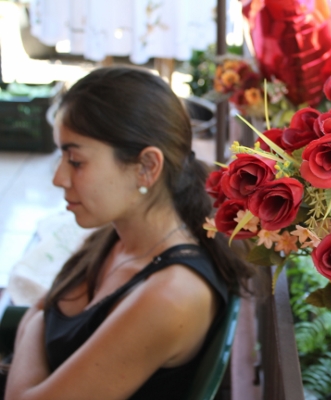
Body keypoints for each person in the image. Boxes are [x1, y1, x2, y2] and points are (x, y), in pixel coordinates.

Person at [5, 66, 253, 400]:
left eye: (75, 160)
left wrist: (33, 322)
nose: (58, 178)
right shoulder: (121, 234)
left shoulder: (170, 297)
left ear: (147, 167)